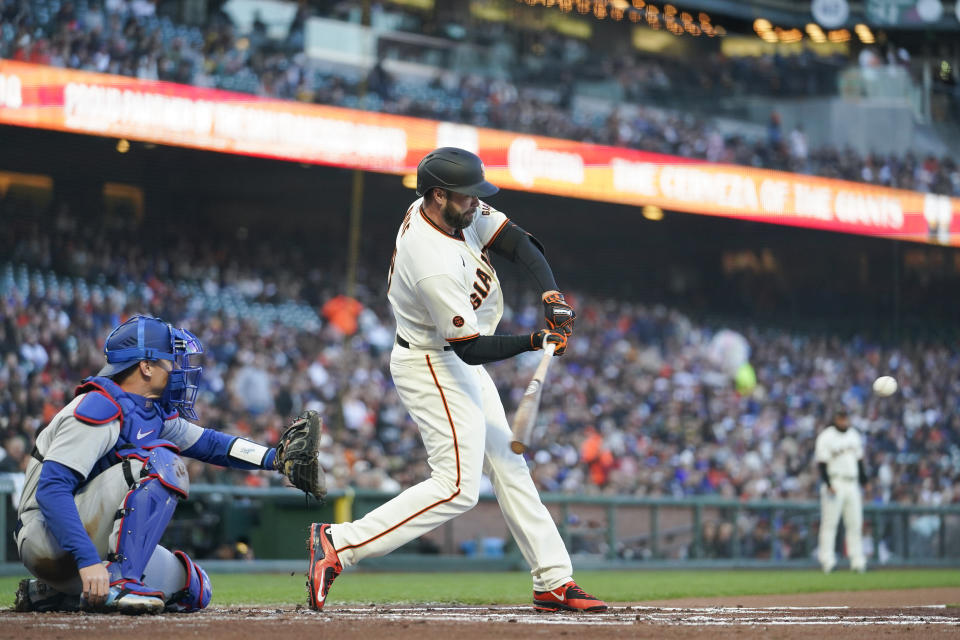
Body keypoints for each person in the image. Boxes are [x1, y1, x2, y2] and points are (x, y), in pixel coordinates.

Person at [307, 147, 606, 613]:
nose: (476, 204)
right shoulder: (431, 259)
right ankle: (339, 544)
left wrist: (552, 296)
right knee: (457, 488)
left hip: (452, 355)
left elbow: (518, 242)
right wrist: (534, 340)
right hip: (432, 362)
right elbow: (469, 349)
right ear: (438, 195)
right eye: (468, 197)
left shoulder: (448, 210)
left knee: (509, 463)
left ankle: (553, 580)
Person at [14, 315, 293, 614]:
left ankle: (51, 593)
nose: (177, 368)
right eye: (170, 360)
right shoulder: (99, 407)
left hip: (82, 536)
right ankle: (120, 580)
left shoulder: (150, 411)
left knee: (194, 588)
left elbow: (211, 444)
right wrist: (88, 560)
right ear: (146, 366)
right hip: (46, 536)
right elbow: (52, 490)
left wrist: (275, 458)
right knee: (164, 462)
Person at [814, 408, 868, 573]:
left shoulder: (854, 435)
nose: (844, 421)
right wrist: (828, 483)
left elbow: (859, 461)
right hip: (835, 482)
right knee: (830, 524)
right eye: (841, 417)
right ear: (835, 418)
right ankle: (827, 561)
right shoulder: (826, 436)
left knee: (855, 524)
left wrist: (865, 481)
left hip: (852, 483)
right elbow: (822, 463)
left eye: (845, 418)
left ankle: (857, 561)